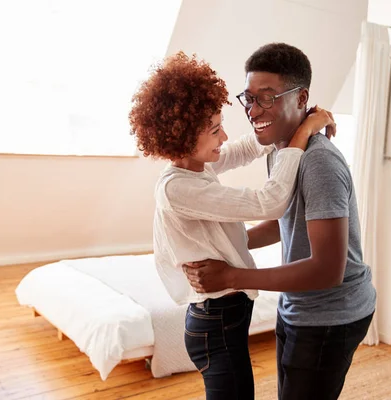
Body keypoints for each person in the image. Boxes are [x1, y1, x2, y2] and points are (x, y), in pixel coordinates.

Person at [128, 51, 335, 400]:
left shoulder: (196, 166)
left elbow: (242, 149)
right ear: (181, 137)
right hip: (215, 324)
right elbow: (268, 201)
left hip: (223, 320)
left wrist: (293, 122)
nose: (223, 136)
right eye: (214, 130)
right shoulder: (178, 187)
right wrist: (302, 137)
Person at [183, 43, 377, 400]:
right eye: (249, 98)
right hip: (298, 305)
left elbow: (327, 270)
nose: (254, 110)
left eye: (267, 98)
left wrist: (232, 275)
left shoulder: (318, 163)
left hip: (332, 315)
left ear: (301, 98)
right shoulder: (282, 151)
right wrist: (228, 250)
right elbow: (283, 220)